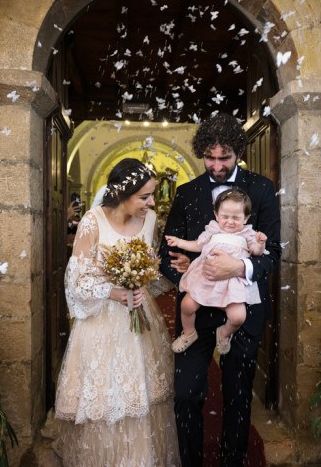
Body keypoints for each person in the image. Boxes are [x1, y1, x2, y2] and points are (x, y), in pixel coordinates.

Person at [159, 113, 281, 466]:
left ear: (238, 152)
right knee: (185, 395)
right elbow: (168, 252)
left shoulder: (261, 190)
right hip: (196, 309)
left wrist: (239, 266)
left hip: (242, 310)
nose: (216, 165)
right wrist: (179, 269)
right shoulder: (186, 193)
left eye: (224, 157)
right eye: (209, 157)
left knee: (238, 397)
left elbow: (273, 252)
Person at [53, 158, 180, 466]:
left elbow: (149, 264)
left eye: (152, 195)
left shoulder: (149, 221)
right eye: (144, 196)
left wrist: (143, 276)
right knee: (104, 395)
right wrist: (113, 292)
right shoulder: (92, 221)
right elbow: (75, 281)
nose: (151, 203)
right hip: (102, 319)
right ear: (123, 193)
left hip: (139, 312)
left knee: (141, 392)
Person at [165, 188, 267, 355]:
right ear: (216, 215)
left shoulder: (247, 234)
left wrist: (260, 243)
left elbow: (256, 251)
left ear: (246, 218)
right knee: (187, 305)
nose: (230, 222)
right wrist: (179, 242)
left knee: (238, 317)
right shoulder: (213, 230)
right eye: (225, 217)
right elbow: (198, 245)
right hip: (206, 277)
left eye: (236, 218)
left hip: (232, 282)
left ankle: (225, 333)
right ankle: (189, 333)